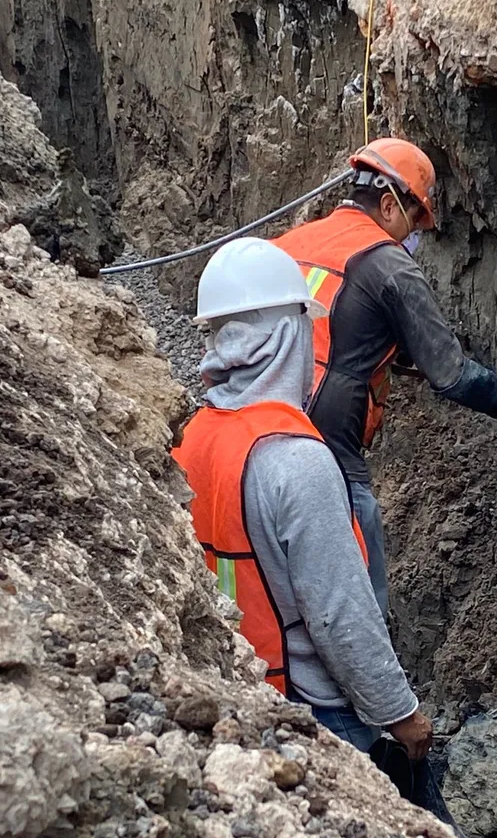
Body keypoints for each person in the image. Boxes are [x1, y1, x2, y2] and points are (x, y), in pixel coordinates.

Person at [272, 138, 497, 614]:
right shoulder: (389, 264)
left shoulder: (289, 243)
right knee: (358, 603)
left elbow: (328, 327)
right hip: (326, 456)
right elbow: (452, 377)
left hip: (260, 434)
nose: (414, 235)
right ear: (391, 205)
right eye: (416, 222)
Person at [172, 236, 433, 761]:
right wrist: (403, 716)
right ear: (290, 335)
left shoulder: (192, 435)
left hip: (244, 689)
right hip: (316, 706)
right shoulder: (295, 460)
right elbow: (340, 615)